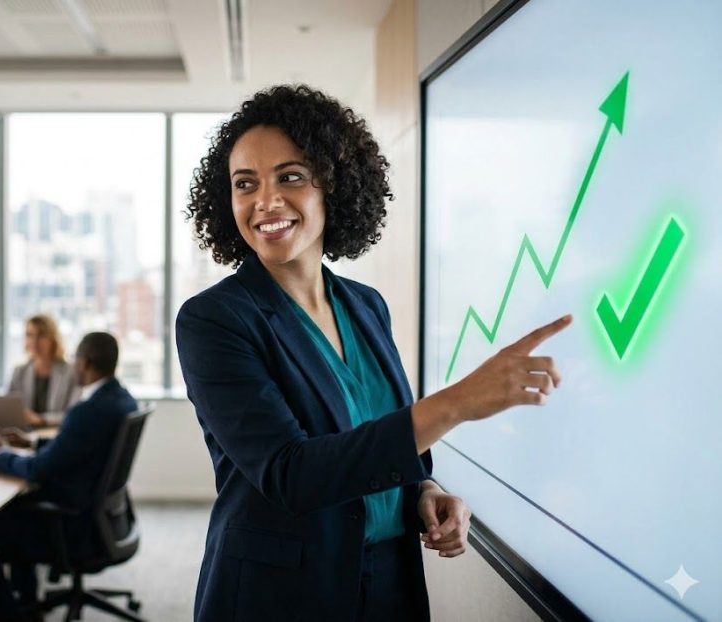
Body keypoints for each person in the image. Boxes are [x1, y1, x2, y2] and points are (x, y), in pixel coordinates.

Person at [175, 85, 572, 622]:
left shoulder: (365, 305)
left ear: (332, 188)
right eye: (245, 184)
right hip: (280, 594)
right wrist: (456, 403)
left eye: (290, 176)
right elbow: (292, 474)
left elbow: (374, 434)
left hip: (389, 582)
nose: (265, 201)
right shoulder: (214, 320)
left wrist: (425, 489)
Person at [0, 331, 137, 621]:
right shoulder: (121, 399)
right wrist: (32, 443)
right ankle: (27, 603)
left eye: (76, 358)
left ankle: (8, 616)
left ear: (86, 362)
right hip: (102, 517)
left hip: (73, 524)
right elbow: (75, 447)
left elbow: (38, 469)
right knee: (11, 510)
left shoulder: (87, 411)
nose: (73, 364)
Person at [7, 314, 79, 427]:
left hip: (55, 434)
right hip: (22, 434)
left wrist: (42, 419)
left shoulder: (70, 372)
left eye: (41, 336)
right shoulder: (19, 371)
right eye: (29, 335)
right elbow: (7, 408)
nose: (34, 342)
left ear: (53, 339)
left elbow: (74, 414)